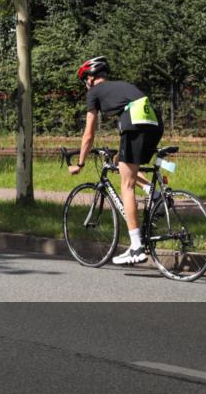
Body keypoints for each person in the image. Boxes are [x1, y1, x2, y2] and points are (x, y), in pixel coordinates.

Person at [68, 57, 164, 265]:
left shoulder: (94, 93)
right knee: (122, 163)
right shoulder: (122, 86)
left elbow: (89, 133)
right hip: (154, 121)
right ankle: (155, 194)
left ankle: (136, 247)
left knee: (126, 186)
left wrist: (81, 163)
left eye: (85, 79)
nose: (86, 84)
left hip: (134, 122)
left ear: (91, 78)